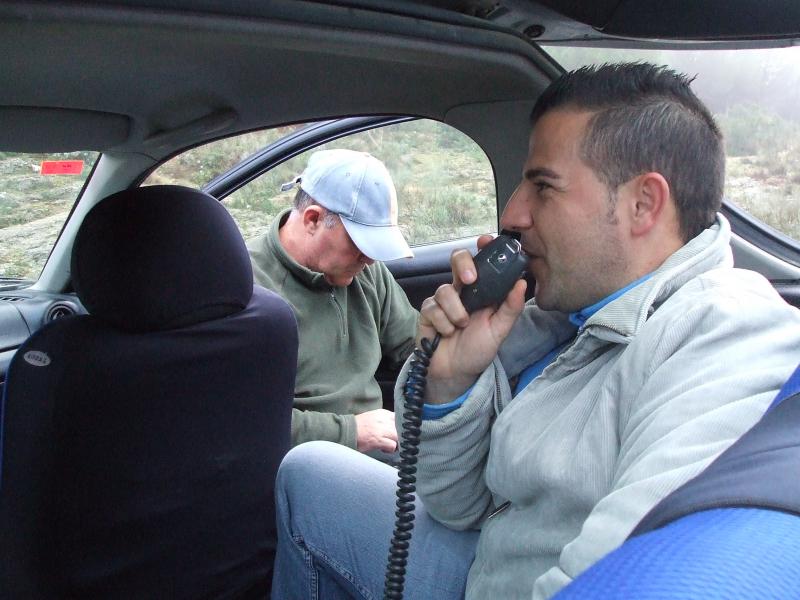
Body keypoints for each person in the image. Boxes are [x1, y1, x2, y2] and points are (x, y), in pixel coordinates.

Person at [270, 63, 800, 599]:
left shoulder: (726, 336)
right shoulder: (558, 318)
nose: (513, 213)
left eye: (543, 187)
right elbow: (458, 507)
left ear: (643, 204)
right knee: (308, 474)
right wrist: (450, 387)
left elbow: (623, 582)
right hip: (490, 555)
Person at [248, 148, 419, 453]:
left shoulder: (366, 271)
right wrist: (351, 432)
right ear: (313, 219)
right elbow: (247, 421)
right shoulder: (248, 289)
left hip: (382, 444)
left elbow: (415, 347)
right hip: (304, 460)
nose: (369, 259)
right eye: (360, 243)